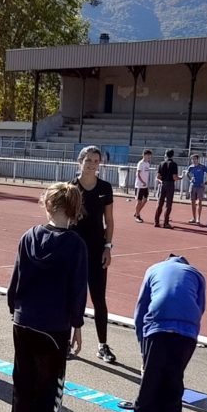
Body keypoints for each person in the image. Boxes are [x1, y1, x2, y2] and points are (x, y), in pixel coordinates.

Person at [6, 183, 89, 412]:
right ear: (74, 209)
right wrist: (77, 324)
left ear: (48, 206)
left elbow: (16, 279)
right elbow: (78, 289)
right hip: (54, 325)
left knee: (23, 387)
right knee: (48, 390)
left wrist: (15, 309)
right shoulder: (75, 245)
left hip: (24, 319)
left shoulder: (29, 237)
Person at [132, 253, 206, 412]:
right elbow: (200, 308)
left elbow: (140, 311)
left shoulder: (153, 269)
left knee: (146, 398)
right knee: (172, 394)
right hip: (186, 335)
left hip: (157, 330)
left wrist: (143, 350)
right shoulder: (196, 274)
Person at [71, 145, 118, 364]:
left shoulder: (105, 188)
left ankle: (102, 345)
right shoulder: (69, 187)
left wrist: (108, 247)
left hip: (98, 250)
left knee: (99, 299)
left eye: (95, 161)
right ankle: (69, 339)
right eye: (88, 160)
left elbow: (109, 220)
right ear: (80, 161)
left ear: (100, 164)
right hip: (74, 251)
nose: (91, 164)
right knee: (71, 297)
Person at [153, 149, 179, 228]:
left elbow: (158, 176)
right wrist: (180, 178)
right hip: (170, 184)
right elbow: (174, 177)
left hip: (163, 183)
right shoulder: (174, 164)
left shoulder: (161, 163)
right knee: (168, 204)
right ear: (173, 155)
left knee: (160, 203)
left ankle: (156, 221)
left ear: (166, 154)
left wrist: (162, 180)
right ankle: (166, 223)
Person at [185, 153, 207, 225]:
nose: (193, 160)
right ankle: (193, 218)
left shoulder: (202, 167)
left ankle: (198, 219)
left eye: (195, 159)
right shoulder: (191, 167)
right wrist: (190, 179)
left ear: (198, 159)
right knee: (192, 202)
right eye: (192, 159)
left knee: (199, 202)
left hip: (200, 186)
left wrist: (206, 182)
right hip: (193, 186)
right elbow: (187, 173)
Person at [132, 149, 154, 221]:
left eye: (150, 156)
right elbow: (138, 174)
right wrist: (142, 182)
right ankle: (137, 216)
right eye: (148, 156)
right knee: (139, 201)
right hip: (139, 185)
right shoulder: (140, 163)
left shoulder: (147, 164)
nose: (149, 157)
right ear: (144, 155)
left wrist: (147, 183)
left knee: (145, 200)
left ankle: (137, 212)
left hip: (145, 186)